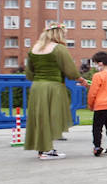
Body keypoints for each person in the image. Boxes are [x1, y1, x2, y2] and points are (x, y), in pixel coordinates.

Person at [23, 23, 81, 160]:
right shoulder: (59, 49)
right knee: (51, 118)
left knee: (40, 118)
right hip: (53, 87)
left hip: (37, 87)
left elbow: (29, 74)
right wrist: (81, 79)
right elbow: (71, 71)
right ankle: (47, 150)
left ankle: (42, 149)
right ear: (59, 34)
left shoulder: (34, 49)